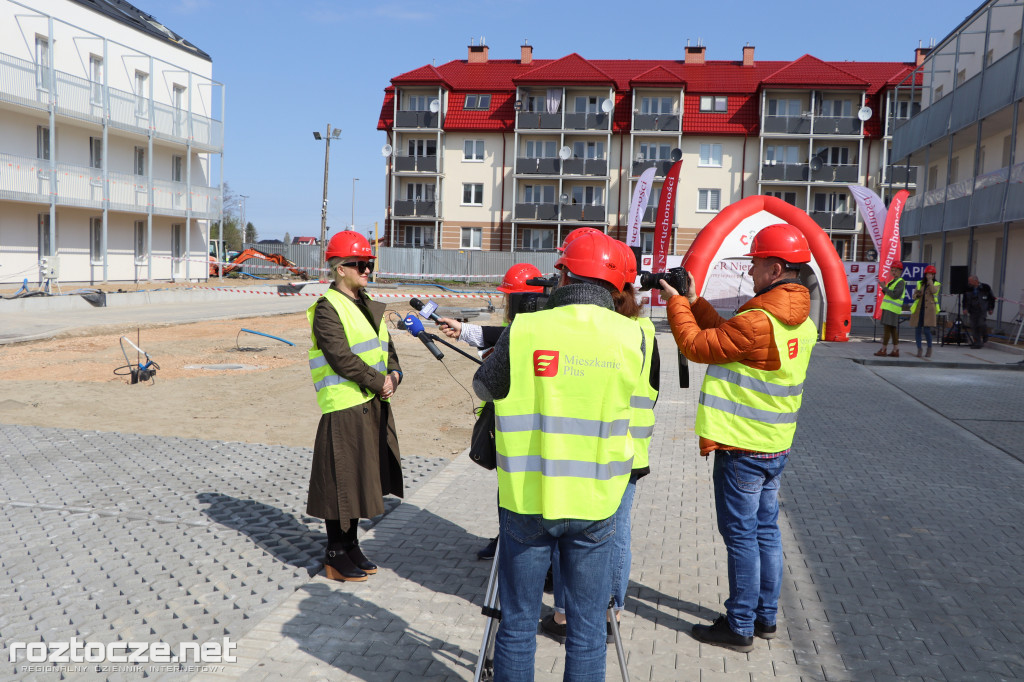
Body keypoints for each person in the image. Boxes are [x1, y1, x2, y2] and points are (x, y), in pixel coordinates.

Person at [474, 232, 644, 680]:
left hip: (528, 499)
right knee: (588, 630)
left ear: (563, 273)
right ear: (615, 286)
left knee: (517, 625)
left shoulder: (527, 328)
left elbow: (483, 387)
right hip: (596, 503)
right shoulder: (633, 336)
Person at [660, 223, 817, 652]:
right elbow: (728, 338)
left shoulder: (759, 320)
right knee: (766, 531)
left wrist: (675, 304)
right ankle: (765, 617)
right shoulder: (799, 322)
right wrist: (693, 299)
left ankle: (740, 624)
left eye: (756, 264)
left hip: (741, 448)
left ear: (776, 268)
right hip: (774, 446)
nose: (750, 272)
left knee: (742, 537)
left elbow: (697, 345)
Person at [541, 239, 660, 645]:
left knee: (580, 533)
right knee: (615, 532)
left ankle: (573, 615)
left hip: (597, 447)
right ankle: (610, 613)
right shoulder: (642, 331)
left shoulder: (610, 332)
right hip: (628, 449)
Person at [305, 231, 403, 583]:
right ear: (339, 268)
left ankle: (351, 546)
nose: (367, 269)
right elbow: (341, 358)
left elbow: (384, 346)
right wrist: (381, 383)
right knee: (340, 483)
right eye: (360, 264)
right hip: (345, 405)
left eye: (369, 263)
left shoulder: (366, 302)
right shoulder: (327, 308)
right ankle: (335, 552)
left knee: (362, 478)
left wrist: (394, 373)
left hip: (372, 403)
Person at [436, 262, 545, 561]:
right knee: (509, 492)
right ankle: (507, 538)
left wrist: (494, 363)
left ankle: (520, 551)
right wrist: (465, 331)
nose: (504, 304)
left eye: (509, 298)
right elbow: (502, 334)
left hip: (526, 431)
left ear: (525, 299)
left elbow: (488, 381)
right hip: (514, 430)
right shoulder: (529, 325)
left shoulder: (540, 329)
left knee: (524, 498)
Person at [875, 261, 905, 357]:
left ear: (900, 271)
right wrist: (884, 288)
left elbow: (895, 295)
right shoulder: (894, 281)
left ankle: (883, 349)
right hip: (890, 308)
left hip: (891, 309)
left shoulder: (900, 282)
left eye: (895, 270)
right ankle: (895, 350)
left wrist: (884, 287)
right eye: (892, 270)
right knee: (892, 330)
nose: (893, 272)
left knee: (887, 330)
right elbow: (889, 294)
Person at [910, 265, 941, 358]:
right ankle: (919, 349)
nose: (929, 275)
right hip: (919, 309)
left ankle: (929, 348)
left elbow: (934, 291)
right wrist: (917, 295)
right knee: (918, 330)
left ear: (934, 275)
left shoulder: (936, 283)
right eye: (928, 273)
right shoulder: (920, 283)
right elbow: (914, 295)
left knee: (927, 330)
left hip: (929, 310)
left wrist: (930, 281)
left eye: (931, 274)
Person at [962, 275, 996, 348]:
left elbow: (991, 299)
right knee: (974, 326)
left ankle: (985, 335)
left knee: (981, 324)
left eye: (970, 281)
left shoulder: (985, 287)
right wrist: (965, 308)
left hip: (982, 310)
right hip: (972, 310)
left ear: (976, 281)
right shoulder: (968, 289)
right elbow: (964, 300)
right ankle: (977, 343)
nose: (969, 283)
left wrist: (991, 309)